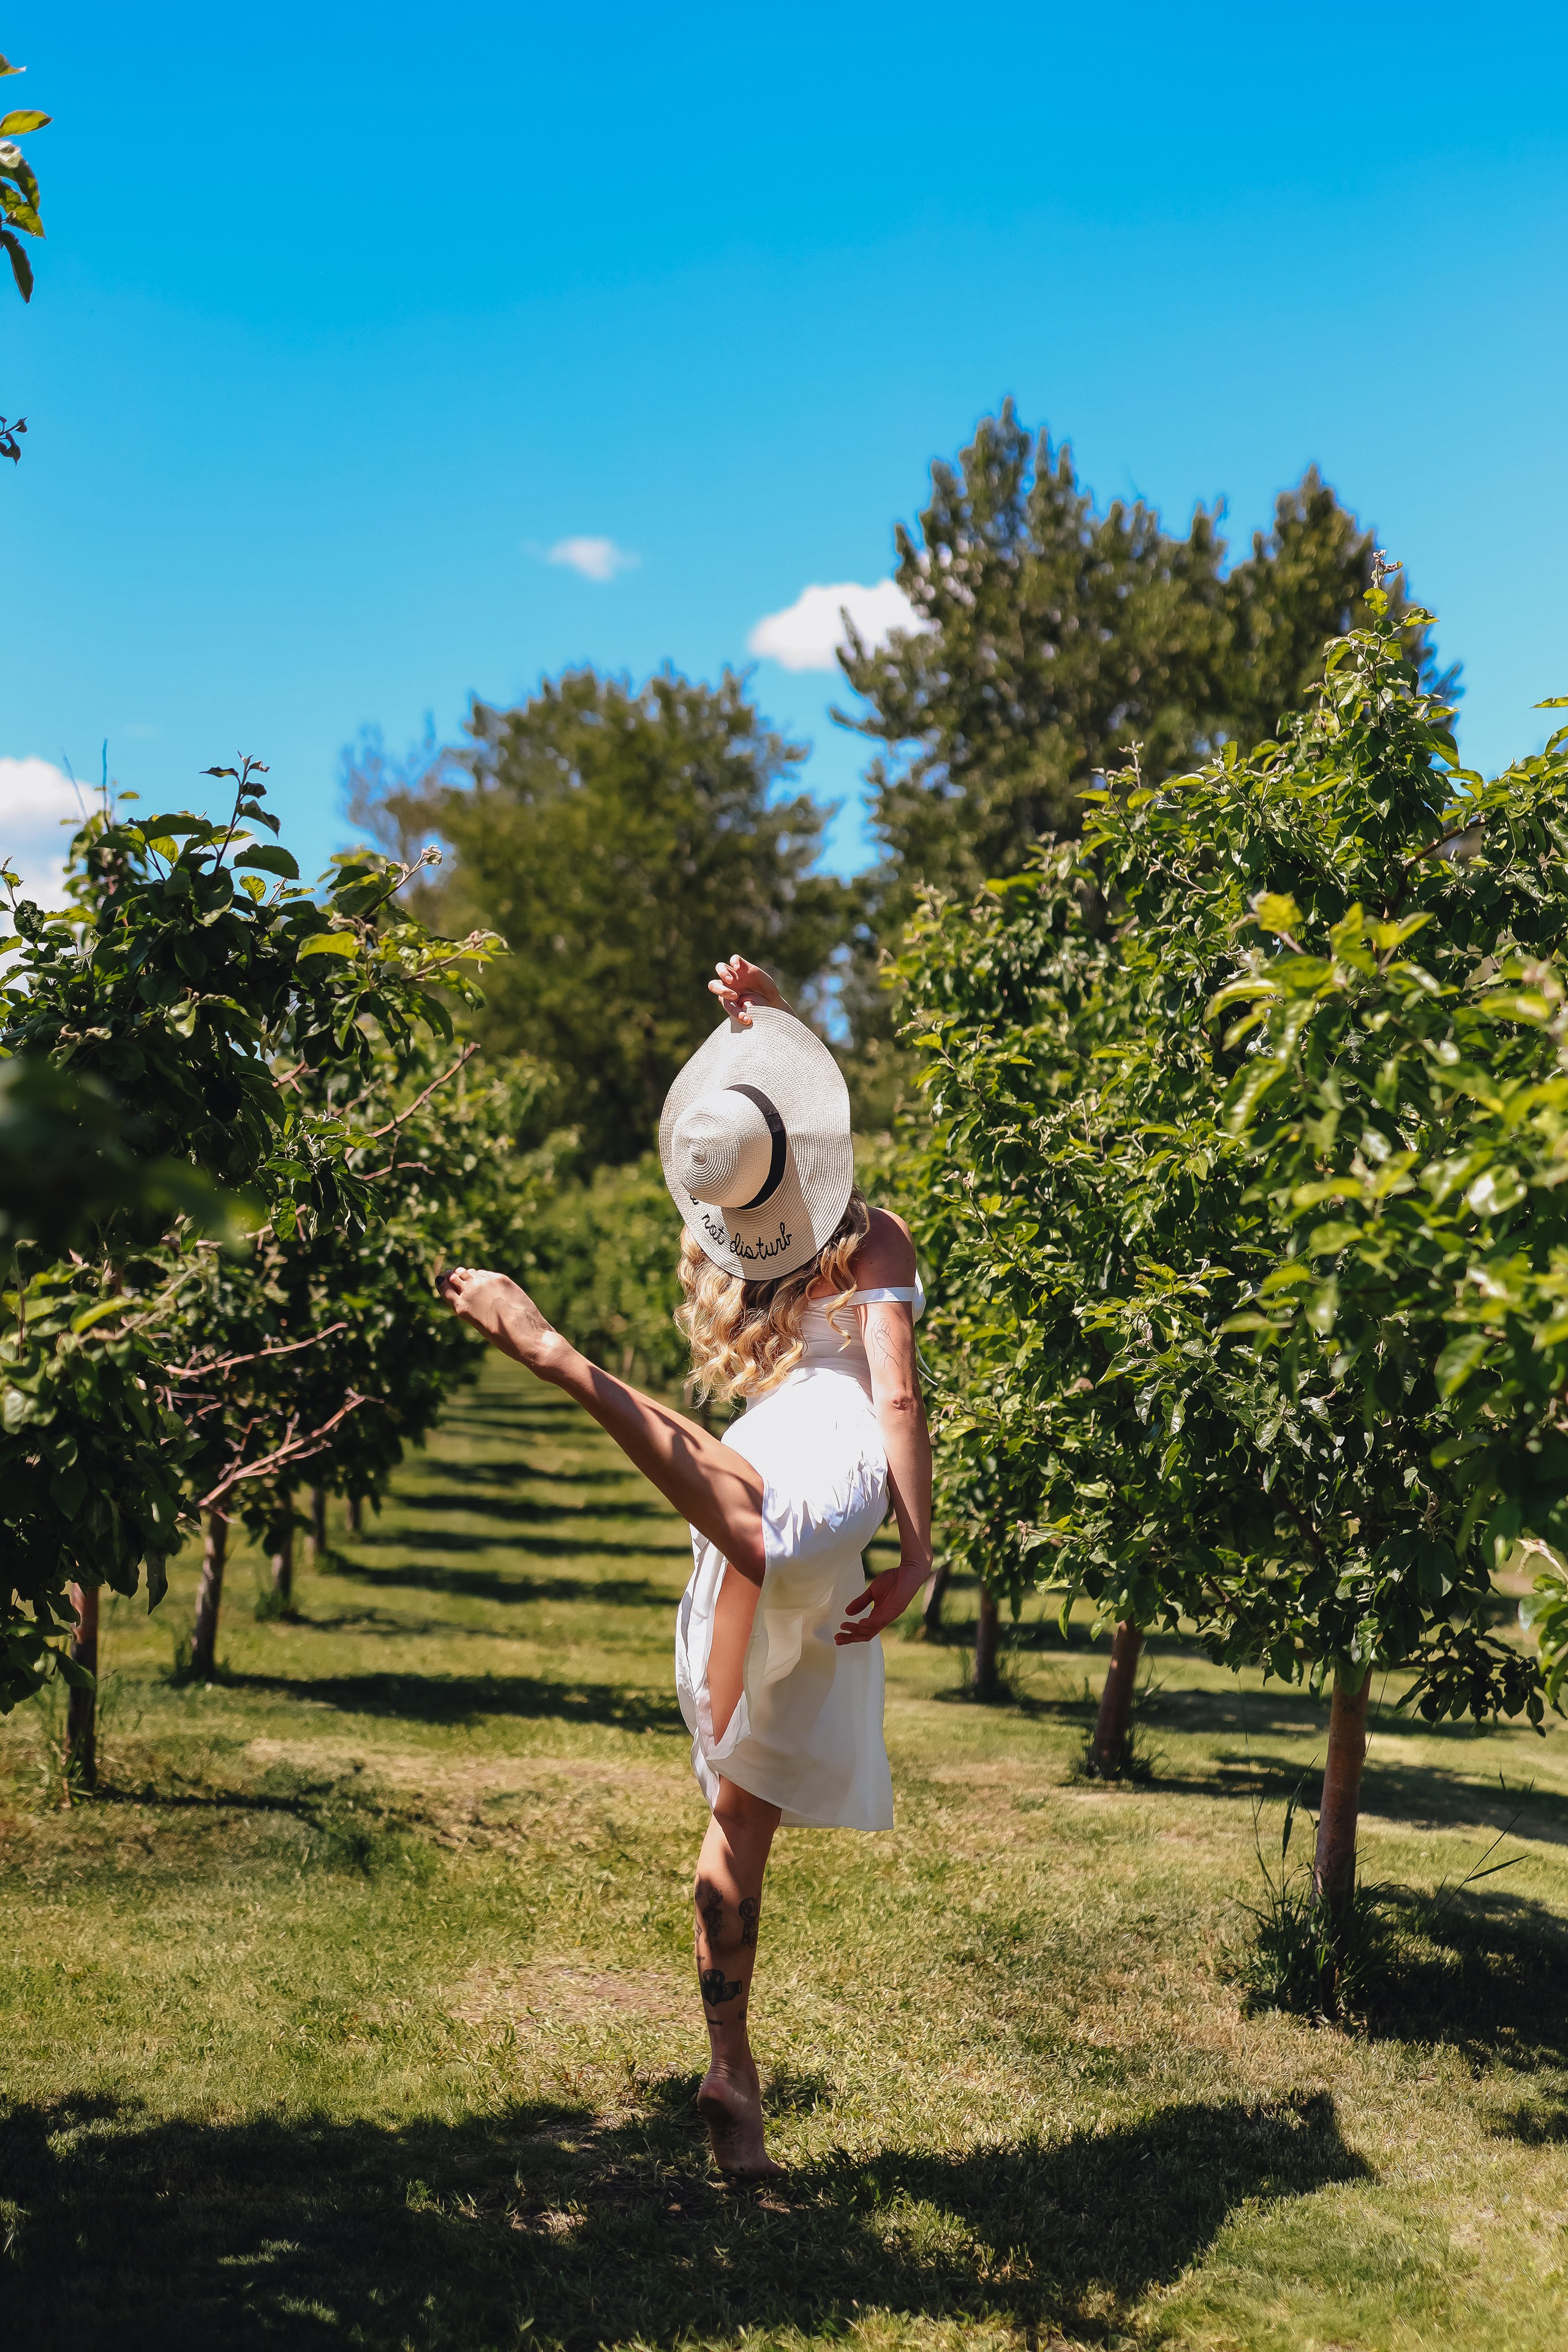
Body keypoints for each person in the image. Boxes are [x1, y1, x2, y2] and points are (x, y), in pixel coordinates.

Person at [439, 954, 933, 2179]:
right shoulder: (870, 1236)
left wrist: (748, 1028)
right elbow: (898, 1401)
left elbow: (753, 1138)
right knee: (764, 1533)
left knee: (734, 1798)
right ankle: (563, 1363)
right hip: (820, 1453)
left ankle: (733, 2069)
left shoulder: (742, 1255)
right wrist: (917, 1548)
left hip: (751, 1453)